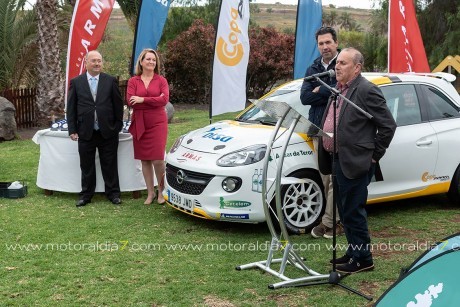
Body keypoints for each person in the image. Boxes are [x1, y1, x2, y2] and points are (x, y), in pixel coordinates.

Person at [318, 47, 397, 274]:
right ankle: (354, 253)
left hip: (356, 162)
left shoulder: (366, 90)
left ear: (357, 67)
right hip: (337, 159)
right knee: (345, 211)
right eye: (337, 63)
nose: (337, 66)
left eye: (343, 63)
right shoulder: (338, 89)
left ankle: (364, 259)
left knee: (353, 211)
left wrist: (373, 156)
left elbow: (388, 125)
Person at [300, 26, 342, 239]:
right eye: (321, 43)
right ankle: (334, 220)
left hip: (338, 130)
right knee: (325, 178)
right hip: (318, 130)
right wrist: (326, 90)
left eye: (328, 42)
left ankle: (328, 223)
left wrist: (320, 89)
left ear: (335, 42)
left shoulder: (345, 62)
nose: (325, 47)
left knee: (336, 179)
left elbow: (341, 89)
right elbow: (304, 98)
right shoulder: (313, 67)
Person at [67, 50, 124, 207]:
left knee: (110, 164)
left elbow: (118, 105)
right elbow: (71, 107)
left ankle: (113, 194)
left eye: (99, 60)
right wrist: (72, 129)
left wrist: (118, 125)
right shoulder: (77, 82)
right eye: (93, 61)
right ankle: (86, 195)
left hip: (108, 131)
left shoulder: (110, 81)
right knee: (86, 166)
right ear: (86, 63)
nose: (97, 63)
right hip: (85, 131)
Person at [127, 49, 169, 205]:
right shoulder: (133, 81)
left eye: (154, 60)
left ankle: (162, 191)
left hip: (158, 122)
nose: (151, 62)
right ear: (141, 61)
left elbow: (164, 100)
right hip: (140, 121)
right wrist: (153, 99)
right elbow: (130, 100)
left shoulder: (161, 80)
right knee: (145, 160)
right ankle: (150, 193)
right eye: (148, 59)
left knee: (158, 159)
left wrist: (142, 100)